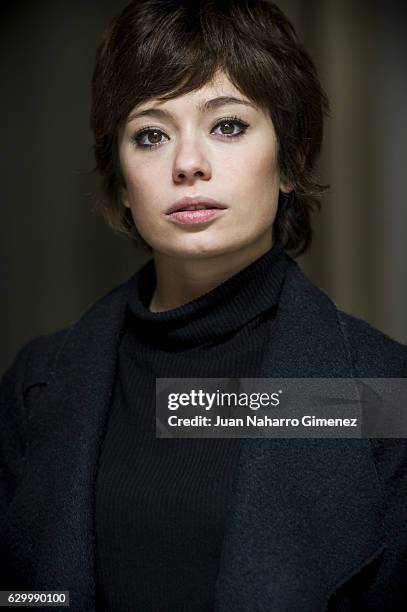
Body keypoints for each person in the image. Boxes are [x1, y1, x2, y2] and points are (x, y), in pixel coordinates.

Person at [1, 1, 406, 610]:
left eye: (228, 125)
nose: (188, 163)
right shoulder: (38, 387)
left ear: (289, 160)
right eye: (152, 135)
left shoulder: (378, 392)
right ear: (121, 182)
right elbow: (22, 598)